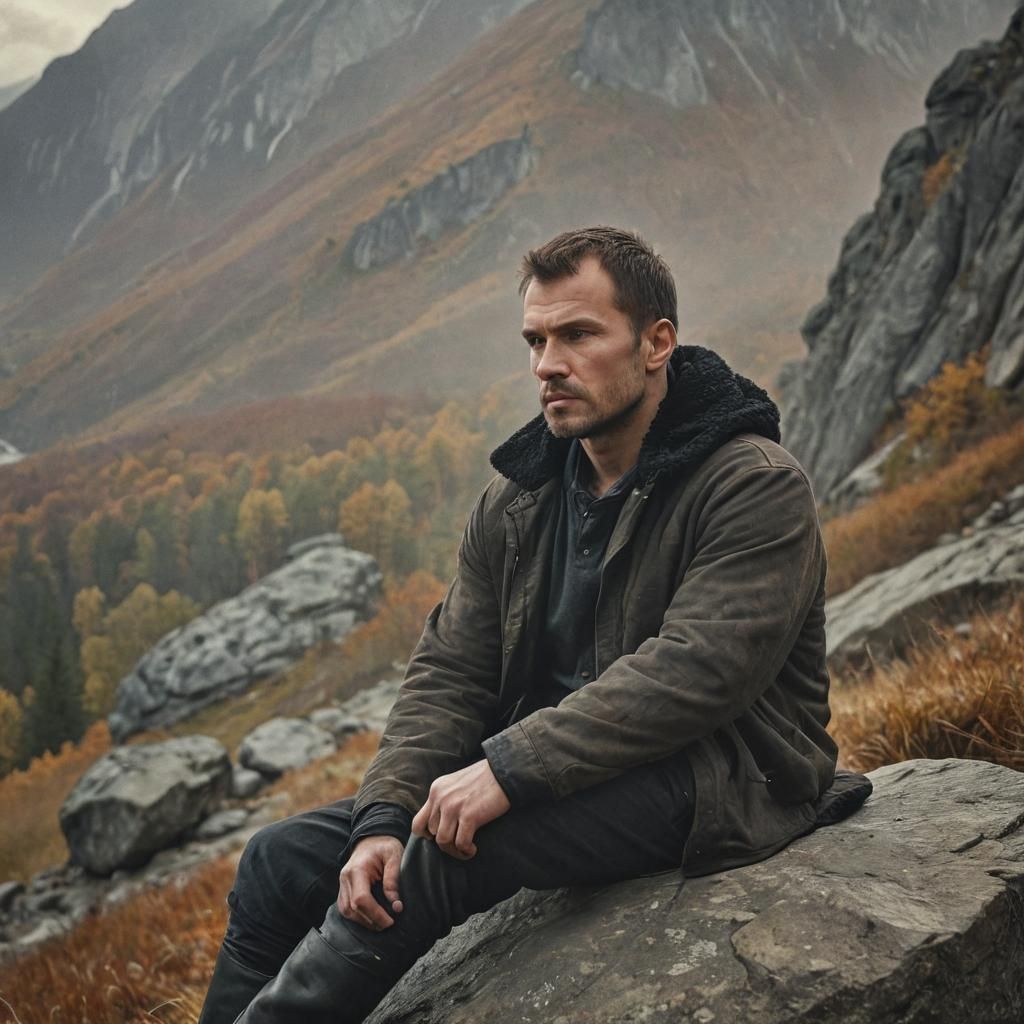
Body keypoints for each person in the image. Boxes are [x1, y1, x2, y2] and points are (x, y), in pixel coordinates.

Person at [198, 226, 863, 1024]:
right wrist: (379, 819)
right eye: (536, 340)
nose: (548, 364)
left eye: (579, 334)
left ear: (656, 344)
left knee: (446, 854)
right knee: (277, 862)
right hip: (557, 771)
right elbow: (450, 670)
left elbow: (697, 673)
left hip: (718, 774)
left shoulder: (751, 484)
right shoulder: (519, 499)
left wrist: (507, 770)